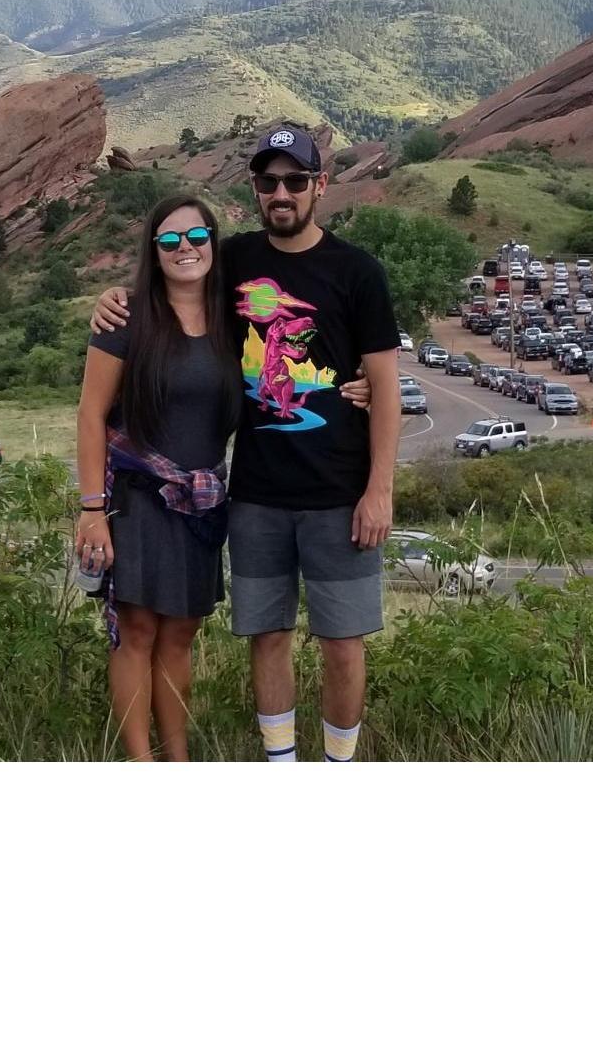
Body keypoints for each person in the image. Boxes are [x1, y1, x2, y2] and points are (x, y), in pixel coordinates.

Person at [91, 125, 402, 763]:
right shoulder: (231, 258)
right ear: (255, 190)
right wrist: (113, 297)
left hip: (340, 495)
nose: (280, 193)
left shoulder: (358, 272)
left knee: (343, 642)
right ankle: (279, 765)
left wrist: (380, 490)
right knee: (267, 636)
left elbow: (388, 388)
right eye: (267, 182)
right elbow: (171, 277)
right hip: (254, 497)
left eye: (294, 181)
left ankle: (339, 766)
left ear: (319, 186)